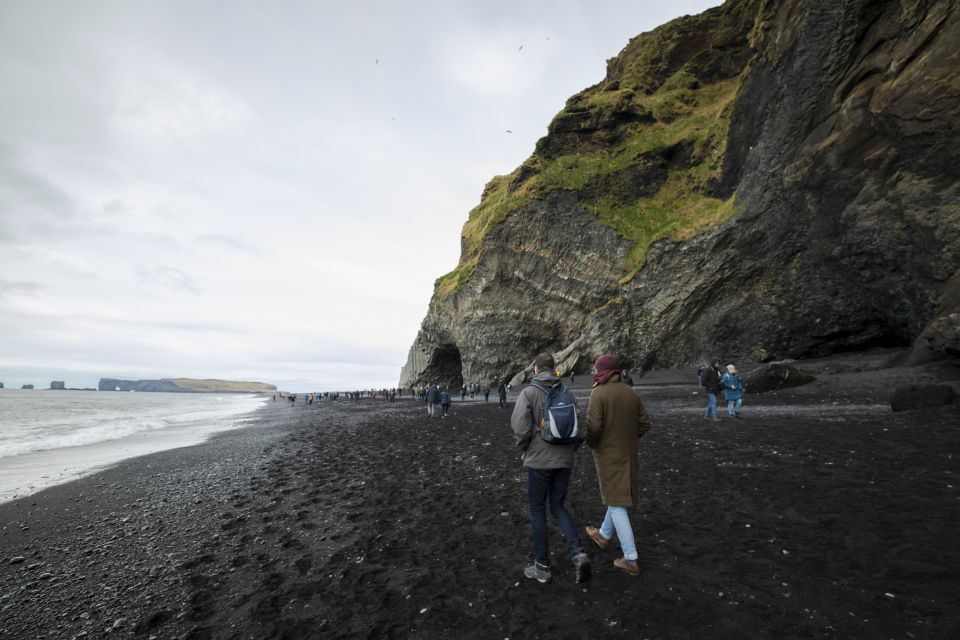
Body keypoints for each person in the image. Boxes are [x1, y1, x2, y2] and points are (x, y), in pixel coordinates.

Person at [511, 352, 590, 584]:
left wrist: (524, 448)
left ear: (536, 369)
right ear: (554, 369)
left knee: (537, 510)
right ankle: (578, 553)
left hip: (539, 461)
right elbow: (580, 427)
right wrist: (569, 451)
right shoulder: (567, 392)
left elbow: (520, 427)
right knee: (558, 506)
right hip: (564, 461)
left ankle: (542, 567)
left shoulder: (528, 392)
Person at [584, 354, 653, 577]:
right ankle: (603, 535)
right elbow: (645, 423)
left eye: (596, 369)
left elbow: (593, 427)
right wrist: (630, 439)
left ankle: (631, 559)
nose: (594, 372)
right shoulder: (630, 392)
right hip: (628, 454)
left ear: (603, 371)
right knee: (617, 498)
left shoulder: (598, 393)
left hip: (608, 456)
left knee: (615, 502)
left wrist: (594, 445)